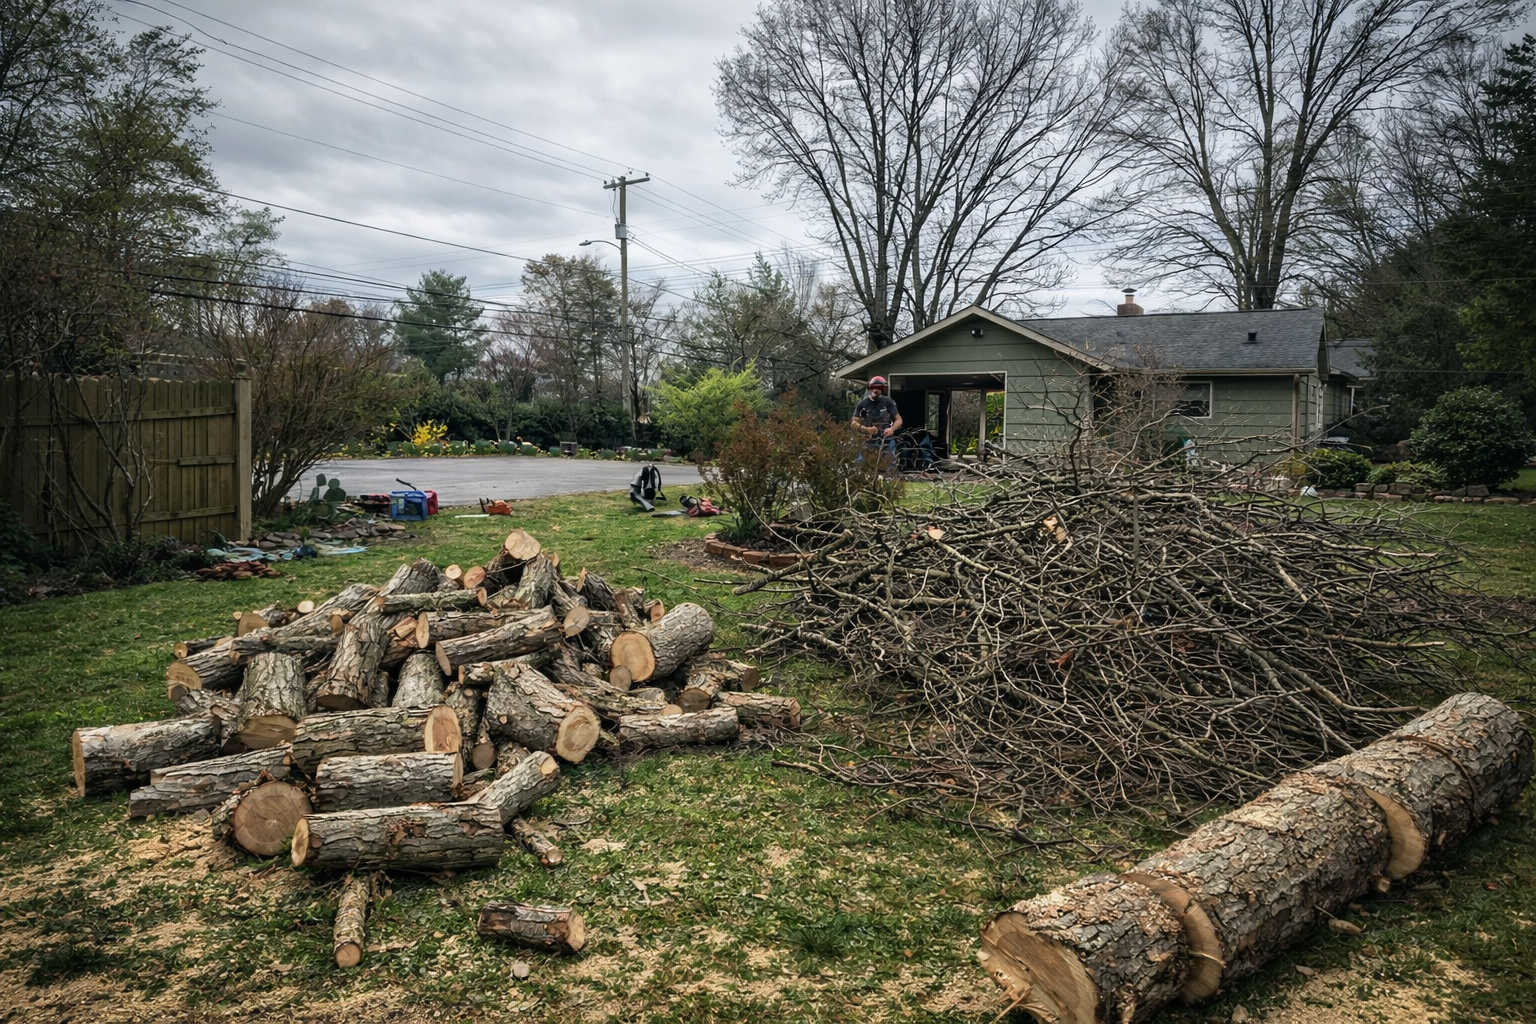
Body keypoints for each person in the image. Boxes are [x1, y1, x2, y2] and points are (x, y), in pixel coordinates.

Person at [851, 375, 902, 460]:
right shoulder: (862, 404)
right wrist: (865, 429)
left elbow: (899, 420)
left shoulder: (888, 402)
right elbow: (853, 423)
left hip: (887, 440)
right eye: (875, 387)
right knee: (860, 462)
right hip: (867, 441)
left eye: (880, 388)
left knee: (891, 463)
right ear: (870, 388)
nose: (877, 390)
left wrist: (892, 429)